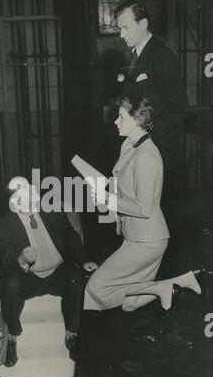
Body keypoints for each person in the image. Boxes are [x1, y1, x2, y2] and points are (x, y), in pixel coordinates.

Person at [84, 94, 208, 314]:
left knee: (97, 288)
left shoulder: (146, 157)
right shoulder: (129, 146)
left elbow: (143, 208)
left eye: (120, 117)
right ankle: (181, 281)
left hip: (147, 241)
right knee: (130, 303)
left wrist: (108, 200)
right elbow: (124, 182)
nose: (115, 121)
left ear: (137, 119)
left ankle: (163, 287)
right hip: (135, 236)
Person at [0, 177, 98, 366]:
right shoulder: (4, 228)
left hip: (57, 272)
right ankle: (11, 336)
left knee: (75, 278)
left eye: (32, 196)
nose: (32, 201)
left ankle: (72, 333)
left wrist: (84, 260)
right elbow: (8, 265)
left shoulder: (51, 212)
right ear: (15, 203)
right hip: (28, 278)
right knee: (10, 285)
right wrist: (22, 259)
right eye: (25, 198)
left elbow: (71, 238)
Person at [115, 0, 189, 202]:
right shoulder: (135, 56)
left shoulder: (162, 56)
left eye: (126, 27)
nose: (122, 35)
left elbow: (179, 109)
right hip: (140, 152)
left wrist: (145, 136)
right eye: (120, 29)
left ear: (144, 24)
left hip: (159, 155)